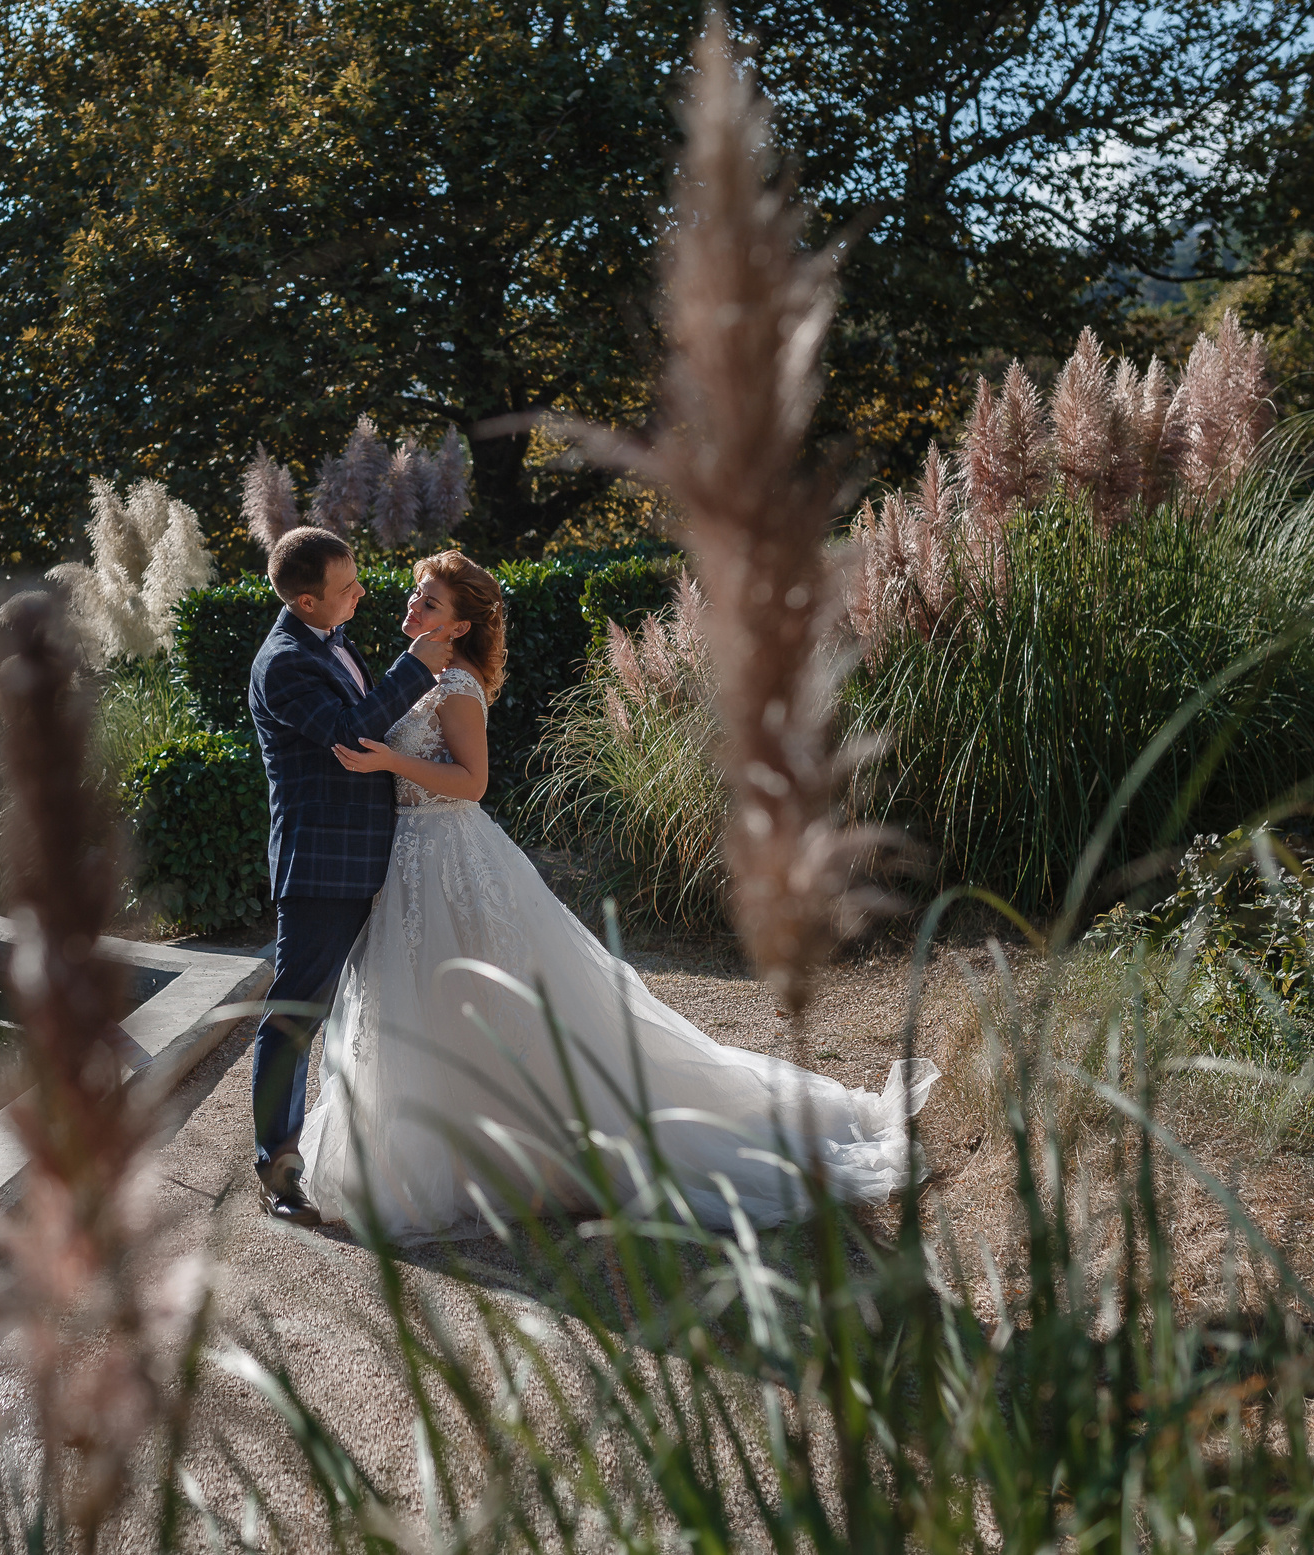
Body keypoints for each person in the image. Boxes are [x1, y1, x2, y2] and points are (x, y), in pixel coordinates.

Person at [295, 551, 939, 1239]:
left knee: (501, 1010)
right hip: (411, 864)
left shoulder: (454, 683)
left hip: (452, 854)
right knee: (434, 1011)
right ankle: (458, 1156)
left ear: (458, 627)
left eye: (428, 601)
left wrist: (392, 760)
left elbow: (473, 782)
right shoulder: (419, 674)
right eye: (417, 596)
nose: (412, 607)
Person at [247, 526, 452, 1223]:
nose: (364, 590)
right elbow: (350, 737)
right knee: (296, 1015)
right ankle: (277, 1173)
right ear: (306, 600)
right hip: (323, 868)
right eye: (347, 586)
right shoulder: (283, 662)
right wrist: (416, 667)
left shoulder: (328, 638)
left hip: (375, 857)